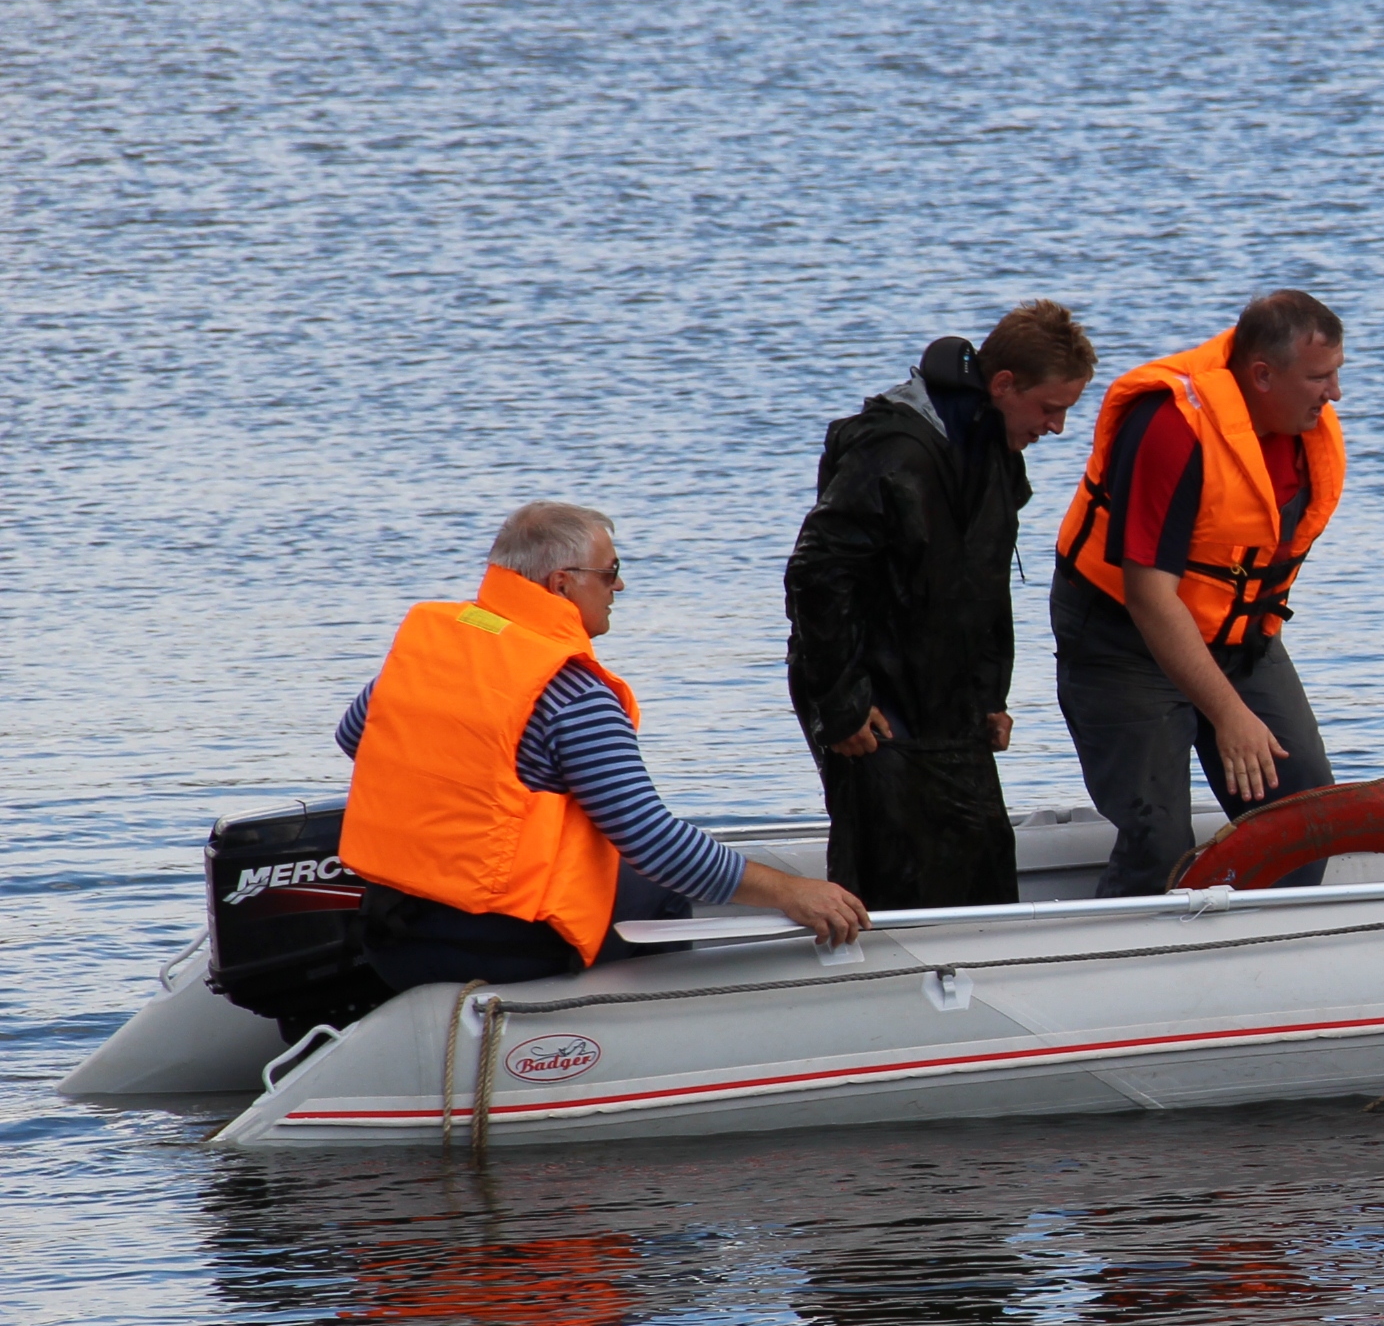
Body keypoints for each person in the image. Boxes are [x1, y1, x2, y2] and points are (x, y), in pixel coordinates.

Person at [337, 503, 866, 991]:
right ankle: (634, 1029)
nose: (620, 586)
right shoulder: (574, 694)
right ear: (562, 584)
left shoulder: (434, 648)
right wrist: (792, 892)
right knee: (654, 886)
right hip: (503, 946)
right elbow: (655, 843)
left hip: (394, 925)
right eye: (610, 573)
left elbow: (354, 735)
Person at [785, 305, 1097, 910]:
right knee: (891, 868)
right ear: (1003, 385)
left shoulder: (991, 445)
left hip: (947, 692)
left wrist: (990, 695)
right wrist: (841, 703)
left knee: (981, 859)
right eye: (1050, 409)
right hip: (869, 691)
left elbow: (983, 585)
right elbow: (817, 576)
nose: (1056, 427)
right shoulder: (893, 449)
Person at [1050, 289, 1347, 898]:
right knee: (1158, 843)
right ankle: (1120, 973)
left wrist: (1239, 701)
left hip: (1239, 640)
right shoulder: (1170, 428)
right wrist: (1229, 715)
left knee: (1308, 814)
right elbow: (1149, 596)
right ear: (1262, 375)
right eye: (1320, 377)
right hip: (1125, 641)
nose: (1335, 394)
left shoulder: (1301, 420)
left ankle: (1263, 960)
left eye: (1337, 374)